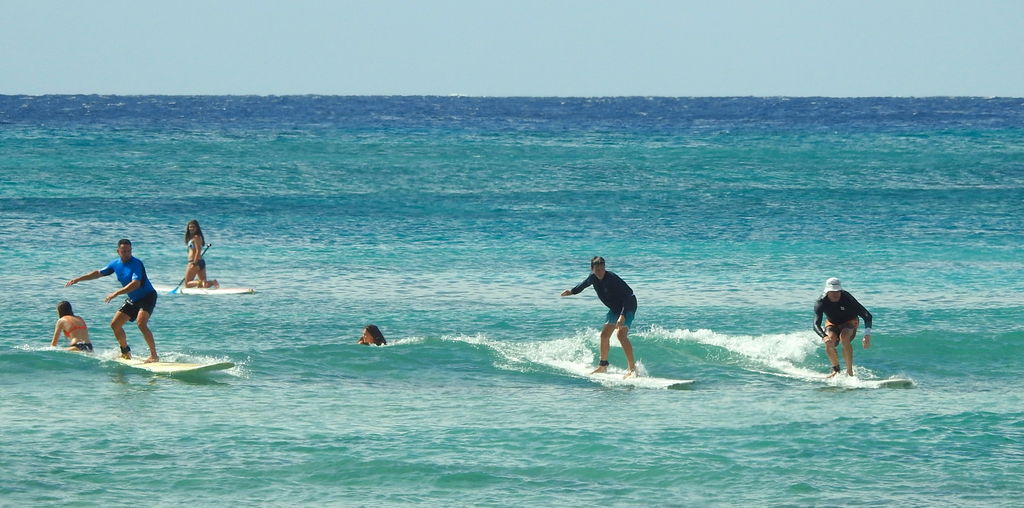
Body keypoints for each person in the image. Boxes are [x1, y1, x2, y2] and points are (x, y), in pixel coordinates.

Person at [65, 239, 159, 363]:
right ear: (118, 251)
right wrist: (78, 279)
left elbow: (135, 284)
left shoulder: (136, 264)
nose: (127, 253)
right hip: (134, 299)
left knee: (141, 323)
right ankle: (125, 352)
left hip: (147, 296)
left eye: (129, 251)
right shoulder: (115, 264)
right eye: (124, 251)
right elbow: (98, 273)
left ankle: (154, 355)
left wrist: (116, 293)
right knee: (115, 325)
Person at [560, 256, 638, 377]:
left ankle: (632, 369)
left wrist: (622, 315)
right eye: (597, 270)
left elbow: (628, 296)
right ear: (592, 269)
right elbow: (583, 285)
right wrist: (572, 291)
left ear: (605, 268)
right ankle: (603, 366)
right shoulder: (593, 278)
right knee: (604, 335)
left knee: (621, 335)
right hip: (615, 308)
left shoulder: (612, 278)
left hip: (628, 305)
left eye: (602, 269)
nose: (600, 272)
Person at [813, 277, 873, 378]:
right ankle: (836, 370)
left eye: (838, 291)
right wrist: (824, 336)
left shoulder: (847, 298)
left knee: (844, 337)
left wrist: (867, 335)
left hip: (850, 321)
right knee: (830, 340)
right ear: (827, 291)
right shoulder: (820, 302)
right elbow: (815, 324)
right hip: (832, 323)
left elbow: (867, 315)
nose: (836, 294)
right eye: (832, 292)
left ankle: (849, 371)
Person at [183, 219, 218, 289]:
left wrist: (194, 262)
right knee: (203, 285)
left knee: (187, 284)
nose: (191, 228)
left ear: (197, 228)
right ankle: (212, 282)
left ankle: (200, 282)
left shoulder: (196, 237)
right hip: (200, 262)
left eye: (193, 227)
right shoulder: (193, 238)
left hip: (195, 262)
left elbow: (198, 251)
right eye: (190, 227)